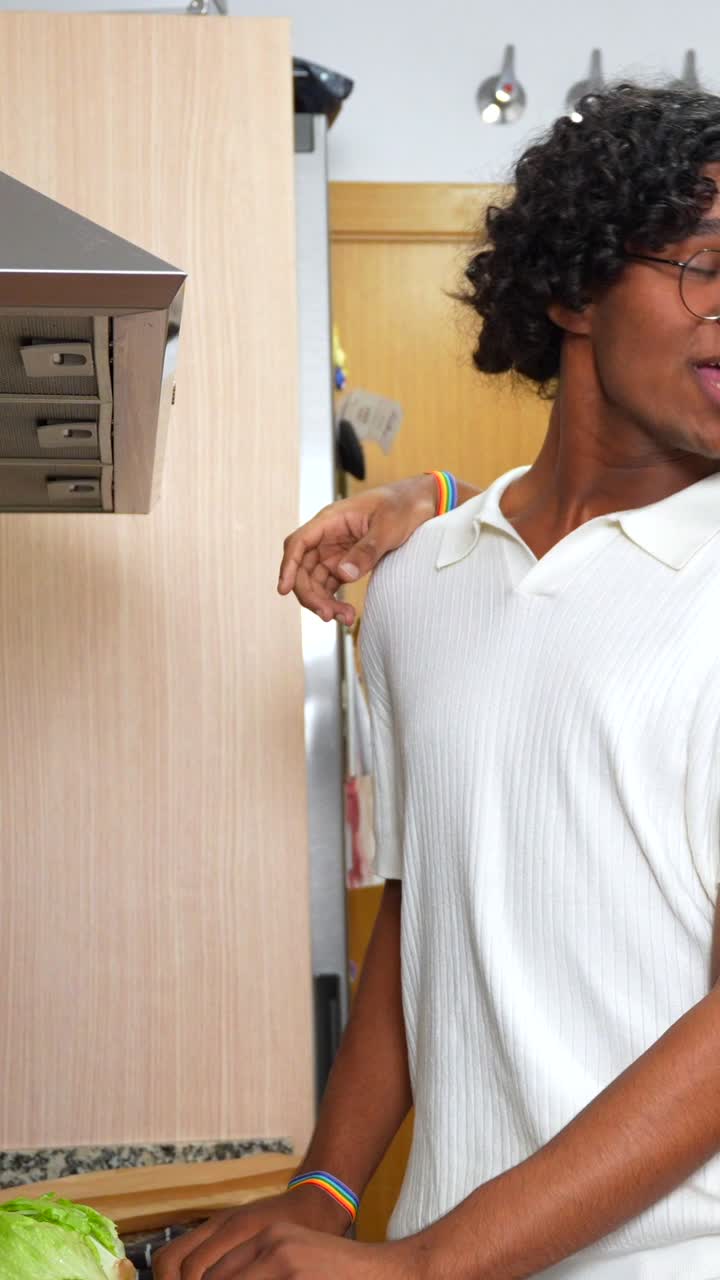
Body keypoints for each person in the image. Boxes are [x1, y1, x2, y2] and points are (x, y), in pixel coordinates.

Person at [155, 83, 720, 1279]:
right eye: (707, 264)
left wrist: (421, 1263)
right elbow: (436, 905)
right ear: (572, 288)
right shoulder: (420, 582)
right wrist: (330, 1183)